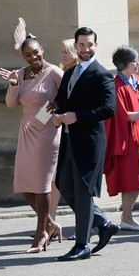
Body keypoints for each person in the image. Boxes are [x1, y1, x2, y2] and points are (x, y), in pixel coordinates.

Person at [49, 27, 120, 261]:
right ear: (76, 46)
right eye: (81, 45)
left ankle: (82, 245)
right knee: (64, 185)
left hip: (89, 143)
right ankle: (103, 223)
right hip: (69, 140)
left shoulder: (101, 74)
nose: (85, 49)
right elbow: (59, 102)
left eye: (89, 45)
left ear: (96, 46)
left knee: (82, 192)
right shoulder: (70, 73)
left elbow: (109, 109)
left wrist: (77, 116)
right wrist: (40, 120)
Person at [0, 18, 63, 253]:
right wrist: (13, 85)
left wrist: (51, 110)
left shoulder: (54, 72)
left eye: (35, 53)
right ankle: (51, 224)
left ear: (42, 50)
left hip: (47, 133)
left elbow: (67, 96)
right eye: (27, 55)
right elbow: (10, 104)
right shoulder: (19, 74)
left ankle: (40, 233)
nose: (33, 58)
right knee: (24, 183)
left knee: (42, 184)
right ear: (23, 56)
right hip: (26, 132)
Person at [103, 45, 139, 231]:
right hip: (126, 139)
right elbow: (121, 115)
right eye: (135, 61)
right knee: (131, 178)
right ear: (124, 64)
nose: (138, 63)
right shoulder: (117, 86)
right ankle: (127, 218)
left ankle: (127, 217)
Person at [49, 39, 78, 241]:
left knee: (70, 182)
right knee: (55, 182)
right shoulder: (64, 72)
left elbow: (60, 102)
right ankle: (49, 223)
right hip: (57, 132)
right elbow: (55, 102)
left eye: (65, 52)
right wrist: (37, 121)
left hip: (72, 133)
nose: (62, 56)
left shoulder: (67, 73)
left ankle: (86, 223)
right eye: (61, 52)